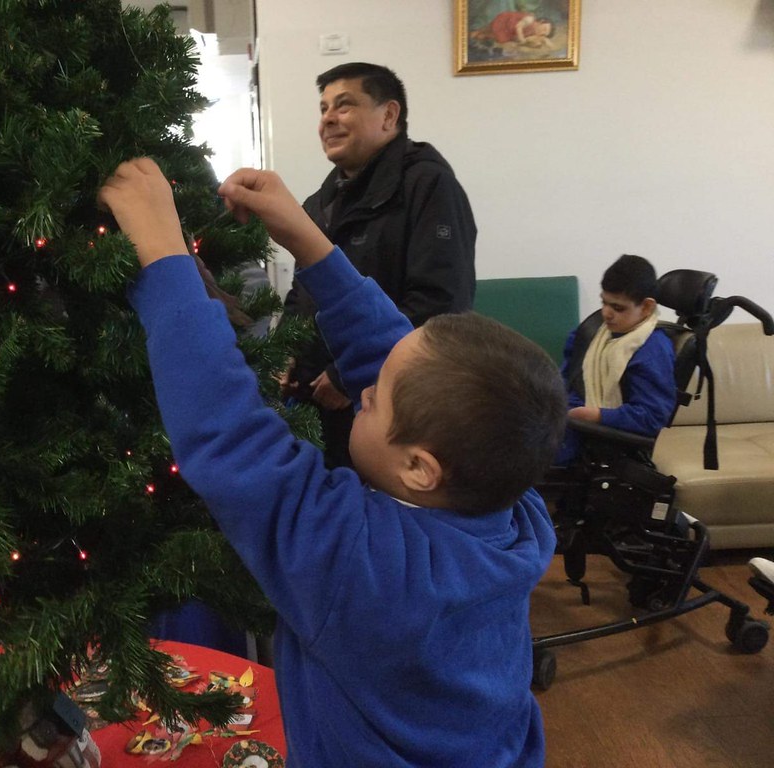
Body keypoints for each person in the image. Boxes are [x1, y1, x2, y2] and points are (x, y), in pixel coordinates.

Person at [97, 157, 566, 767]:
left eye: (374, 399)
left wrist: (162, 253)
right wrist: (307, 239)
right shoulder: (512, 506)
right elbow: (391, 353)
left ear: (421, 467)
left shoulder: (364, 564)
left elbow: (230, 436)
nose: (363, 389)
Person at [279, 62, 477, 469]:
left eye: (344, 105)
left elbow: (440, 304)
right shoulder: (321, 202)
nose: (328, 120)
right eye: (323, 108)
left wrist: (350, 374)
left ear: (389, 115)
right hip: (317, 406)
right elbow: (303, 290)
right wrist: (285, 351)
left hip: (388, 405)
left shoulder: (429, 186)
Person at [556, 254, 677, 464]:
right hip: (569, 419)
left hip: (594, 436)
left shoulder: (651, 349)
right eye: (604, 302)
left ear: (647, 307)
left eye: (618, 308)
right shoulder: (591, 332)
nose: (606, 313)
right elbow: (565, 379)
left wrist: (596, 416)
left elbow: (652, 417)